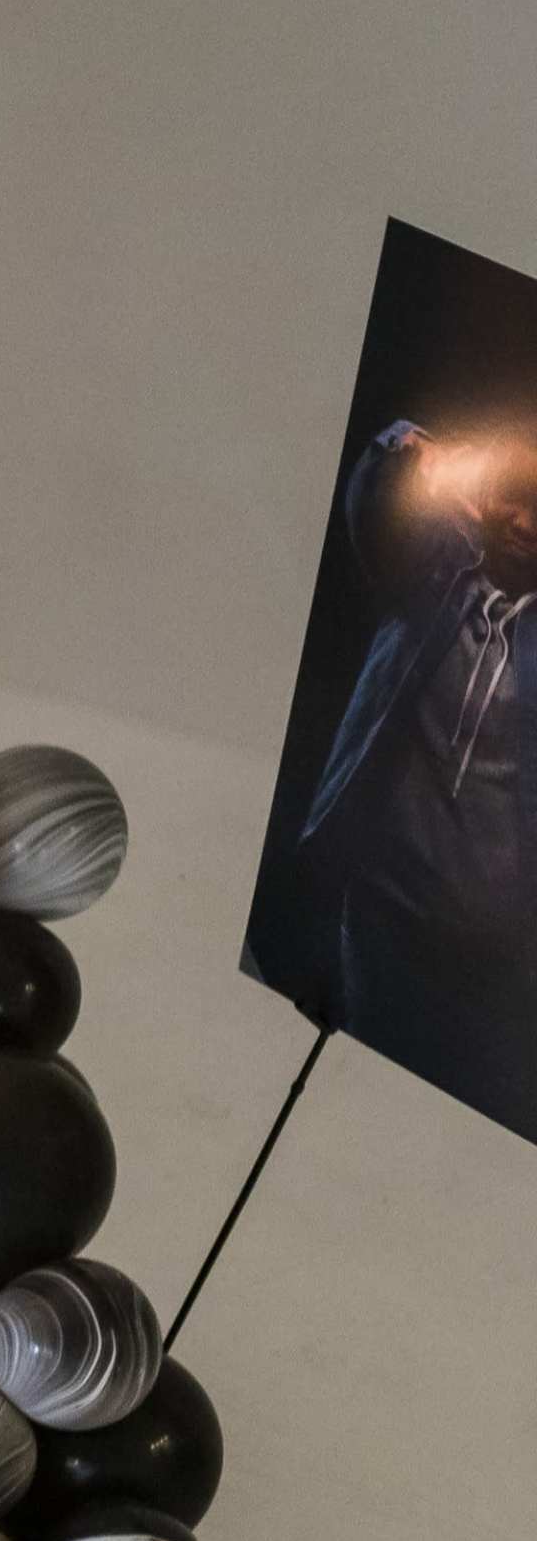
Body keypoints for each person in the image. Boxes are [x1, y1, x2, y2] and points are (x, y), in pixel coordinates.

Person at [294, 417, 537, 1137]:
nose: (526, 522)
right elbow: (375, 509)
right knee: (347, 1103)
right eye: (513, 498)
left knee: (443, 1131)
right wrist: (406, 450)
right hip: (376, 930)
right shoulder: (430, 575)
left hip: (497, 973)